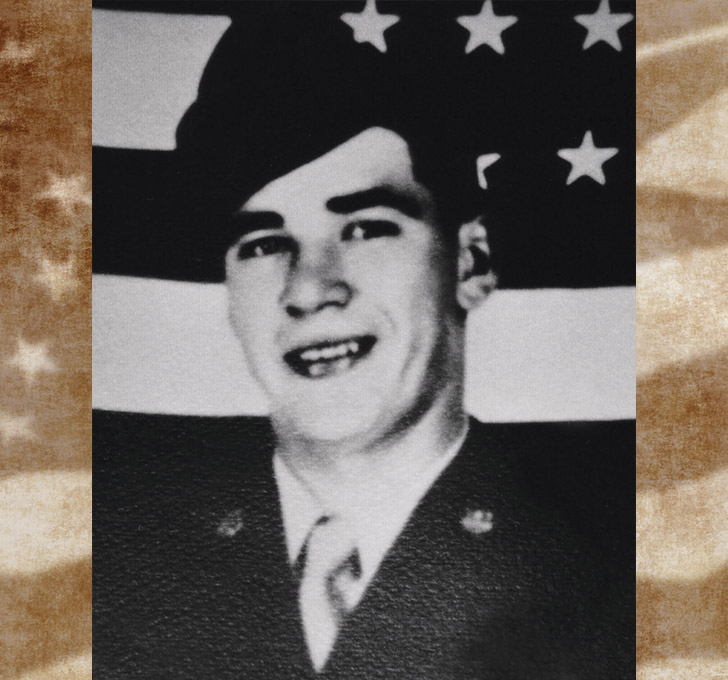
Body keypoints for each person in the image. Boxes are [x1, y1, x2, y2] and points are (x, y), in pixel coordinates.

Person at [94, 5, 633, 679]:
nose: (309, 289)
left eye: (365, 228)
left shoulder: (621, 584)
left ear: (470, 262)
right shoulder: (103, 573)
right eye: (263, 243)